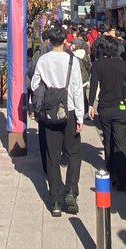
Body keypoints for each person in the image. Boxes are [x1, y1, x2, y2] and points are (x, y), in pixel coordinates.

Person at [30, 25, 84, 217]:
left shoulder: (43, 60)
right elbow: (77, 89)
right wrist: (80, 115)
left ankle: (55, 201)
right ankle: (71, 191)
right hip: (68, 110)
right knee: (74, 152)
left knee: (52, 157)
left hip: (49, 112)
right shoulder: (72, 60)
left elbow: (35, 84)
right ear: (64, 40)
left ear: (50, 40)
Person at [87, 32, 126, 191]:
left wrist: (90, 105)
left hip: (104, 107)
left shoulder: (97, 65)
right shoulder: (122, 64)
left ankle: (111, 172)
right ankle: (121, 179)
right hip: (120, 107)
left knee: (108, 140)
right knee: (121, 143)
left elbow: (93, 86)